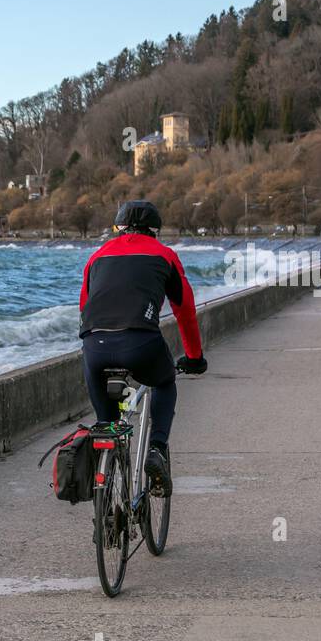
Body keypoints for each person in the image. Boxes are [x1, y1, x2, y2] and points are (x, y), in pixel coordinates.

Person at [79, 200, 206, 496]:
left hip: (94, 348)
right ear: (155, 231)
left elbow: (85, 307)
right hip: (141, 344)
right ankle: (157, 450)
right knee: (163, 381)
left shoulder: (97, 256)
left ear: (118, 229)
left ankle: (104, 494)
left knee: (107, 425)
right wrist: (195, 357)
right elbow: (184, 311)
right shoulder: (164, 255)